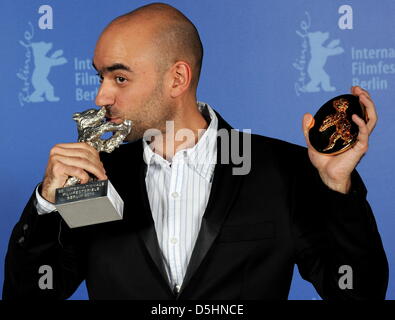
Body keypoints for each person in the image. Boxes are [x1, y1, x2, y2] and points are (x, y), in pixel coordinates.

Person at [3, 3, 388, 300]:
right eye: (100, 76)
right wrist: (47, 205)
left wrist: (338, 189)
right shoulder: (95, 176)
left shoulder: (282, 170)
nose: (101, 96)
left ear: (177, 78)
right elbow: (32, 294)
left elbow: (357, 292)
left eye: (120, 77)